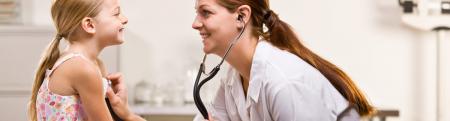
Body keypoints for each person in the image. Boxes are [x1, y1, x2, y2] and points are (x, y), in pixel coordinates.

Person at [107, 0, 376, 120]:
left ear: (241, 16)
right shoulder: (234, 80)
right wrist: (128, 116)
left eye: (205, 13)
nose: (194, 23)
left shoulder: (283, 82)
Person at [28, 0, 129, 120]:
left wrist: (120, 106)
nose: (125, 19)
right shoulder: (82, 68)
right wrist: (129, 116)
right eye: (116, 14)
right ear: (89, 25)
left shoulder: (92, 64)